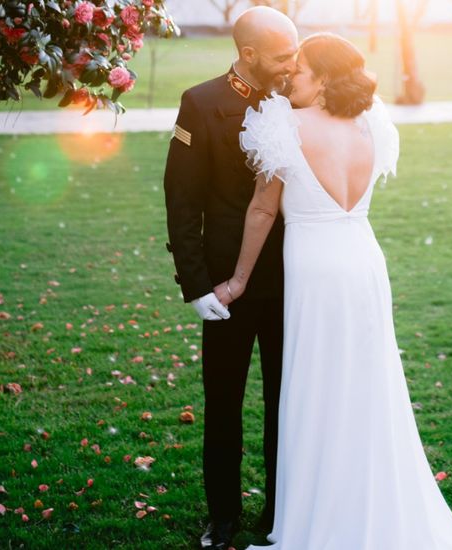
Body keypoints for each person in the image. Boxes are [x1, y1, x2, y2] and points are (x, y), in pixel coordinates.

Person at [216, 33, 452, 549]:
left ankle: (322, 511)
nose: (288, 78)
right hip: (364, 260)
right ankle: (367, 495)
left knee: (318, 384)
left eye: (298, 71)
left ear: (321, 80)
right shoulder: (371, 123)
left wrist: (237, 280)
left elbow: (261, 210)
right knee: (366, 385)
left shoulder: (285, 123)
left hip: (317, 268)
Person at [162, 7, 298, 550]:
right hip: (226, 288)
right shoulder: (200, 104)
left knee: (286, 406)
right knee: (223, 406)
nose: (294, 62)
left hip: (293, 283)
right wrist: (195, 287)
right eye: (284, 54)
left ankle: (279, 515)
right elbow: (181, 202)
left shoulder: (300, 96)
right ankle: (223, 520)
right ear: (248, 54)